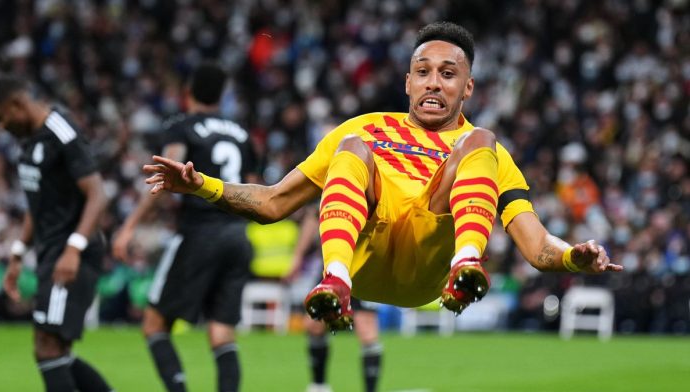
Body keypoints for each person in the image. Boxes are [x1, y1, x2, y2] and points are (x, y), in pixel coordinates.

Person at [142, 21, 623, 331]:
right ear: (408, 81)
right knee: (352, 147)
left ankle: (466, 265)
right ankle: (333, 282)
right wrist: (200, 184)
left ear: (468, 86)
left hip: (430, 267)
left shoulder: (488, 151)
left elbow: (537, 247)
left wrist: (576, 259)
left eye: (449, 73)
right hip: (363, 260)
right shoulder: (364, 128)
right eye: (424, 70)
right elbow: (272, 203)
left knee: (482, 142)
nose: (435, 81)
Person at [112, 62, 257, 392]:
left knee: (153, 324)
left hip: (199, 233)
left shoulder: (182, 126)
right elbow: (253, 187)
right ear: (221, 96)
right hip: (236, 236)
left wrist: (129, 226)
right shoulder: (241, 132)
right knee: (221, 332)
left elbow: (164, 179)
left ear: (187, 93)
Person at [0, 76, 113, 392]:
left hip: (71, 253)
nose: (1, 126)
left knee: (47, 345)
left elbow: (98, 194)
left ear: (17, 104)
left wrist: (73, 249)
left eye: (1, 116)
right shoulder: (30, 140)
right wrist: (18, 254)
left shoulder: (61, 132)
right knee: (55, 350)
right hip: (51, 252)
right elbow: (39, 204)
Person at [286, 205, 382, 392]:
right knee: (314, 325)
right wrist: (297, 256)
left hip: (366, 261)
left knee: (367, 329)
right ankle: (319, 385)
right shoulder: (329, 180)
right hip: (334, 263)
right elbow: (313, 217)